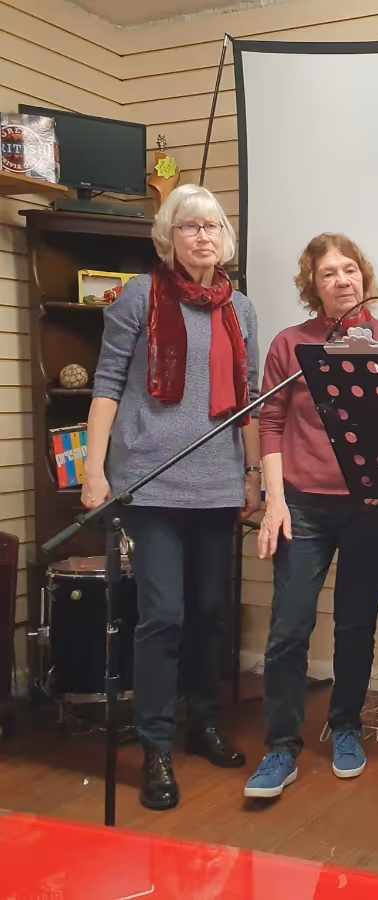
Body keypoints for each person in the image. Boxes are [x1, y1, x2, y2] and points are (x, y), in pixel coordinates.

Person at [84, 184, 261, 811]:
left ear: (224, 238)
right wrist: (95, 470)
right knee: (163, 615)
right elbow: (107, 383)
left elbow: (250, 397)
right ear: (169, 237)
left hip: (217, 483)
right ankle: (155, 746)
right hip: (150, 482)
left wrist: (252, 474)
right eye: (189, 226)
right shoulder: (140, 295)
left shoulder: (241, 307)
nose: (202, 236)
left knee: (210, 612)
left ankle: (202, 723)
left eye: (212, 226)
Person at [244, 233, 378, 800]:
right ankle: (280, 746)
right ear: (312, 286)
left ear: (364, 276)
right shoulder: (291, 345)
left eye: (350, 269)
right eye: (328, 273)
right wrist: (274, 501)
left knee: (356, 624)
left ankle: (345, 726)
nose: (343, 280)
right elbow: (269, 423)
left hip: (371, 510)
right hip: (303, 505)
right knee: (289, 626)